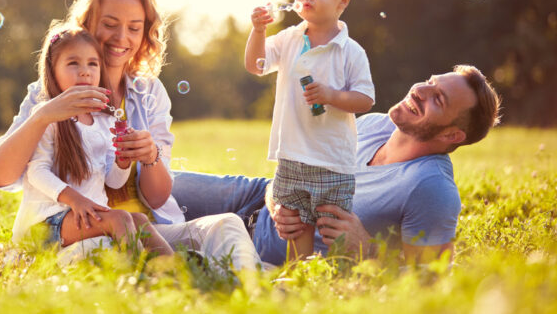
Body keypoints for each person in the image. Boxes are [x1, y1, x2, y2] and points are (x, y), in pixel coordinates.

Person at [0, 0, 261, 270]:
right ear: (87, 24)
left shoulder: (149, 92)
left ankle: (254, 290)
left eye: (134, 28)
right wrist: (42, 116)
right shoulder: (51, 92)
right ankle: (174, 278)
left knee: (226, 225)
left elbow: (155, 199)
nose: (121, 38)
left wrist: (149, 156)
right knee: (112, 255)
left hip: (147, 228)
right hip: (80, 232)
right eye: (110, 24)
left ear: (145, 33)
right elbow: (1, 177)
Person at [171, 65, 501, 265]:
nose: (420, 91)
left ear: (453, 134)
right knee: (149, 182)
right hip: (254, 196)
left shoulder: (431, 187)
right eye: (430, 81)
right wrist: (276, 197)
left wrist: (367, 250)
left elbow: (430, 282)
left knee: (147, 236)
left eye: (438, 99)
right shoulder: (374, 124)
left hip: (260, 247)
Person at [245, 0, 374, 259]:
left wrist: (331, 96)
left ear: (342, 1)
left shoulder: (350, 51)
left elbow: (365, 99)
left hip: (332, 159)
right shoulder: (289, 38)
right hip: (291, 154)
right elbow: (256, 64)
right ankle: (300, 274)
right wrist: (259, 31)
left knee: (334, 226)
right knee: (295, 224)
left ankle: (342, 276)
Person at [18, 26, 172, 256]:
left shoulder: (103, 122)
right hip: (45, 222)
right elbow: (36, 171)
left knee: (139, 220)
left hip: (84, 216)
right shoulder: (47, 116)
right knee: (120, 218)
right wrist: (76, 200)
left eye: (92, 64)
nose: (85, 72)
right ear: (52, 70)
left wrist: (122, 161)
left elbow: (113, 182)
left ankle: (176, 271)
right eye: (73, 63)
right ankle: (138, 278)